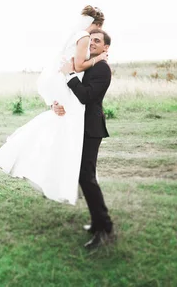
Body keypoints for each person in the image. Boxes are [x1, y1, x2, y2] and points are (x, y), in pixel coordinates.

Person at [0, 5, 107, 206]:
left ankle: (55, 172)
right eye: (98, 27)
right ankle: (57, 176)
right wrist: (98, 58)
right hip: (70, 84)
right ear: (95, 24)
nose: (97, 32)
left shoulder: (73, 35)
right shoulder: (84, 37)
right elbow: (78, 66)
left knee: (61, 127)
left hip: (66, 85)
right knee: (66, 126)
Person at [54, 27, 114, 250]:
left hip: (91, 129)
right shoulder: (89, 65)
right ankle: (98, 222)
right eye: (91, 40)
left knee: (87, 178)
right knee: (84, 177)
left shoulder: (102, 69)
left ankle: (105, 228)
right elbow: (73, 95)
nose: (92, 44)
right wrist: (57, 103)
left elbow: (86, 96)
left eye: (97, 41)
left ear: (106, 47)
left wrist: (69, 74)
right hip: (81, 128)